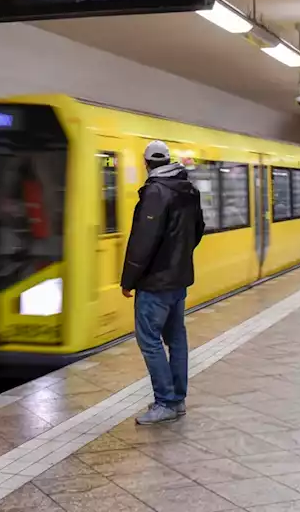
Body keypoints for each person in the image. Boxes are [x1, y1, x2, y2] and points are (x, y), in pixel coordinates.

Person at [121, 140, 205, 425]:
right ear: (168, 160)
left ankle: (166, 402)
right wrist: (179, 259)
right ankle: (177, 399)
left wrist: (128, 280)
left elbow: (143, 242)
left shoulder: (155, 193)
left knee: (150, 340)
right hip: (178, 280)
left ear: (147, 164)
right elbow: (198, 231)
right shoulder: (188, 190)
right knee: (176, 338)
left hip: (155, 283)